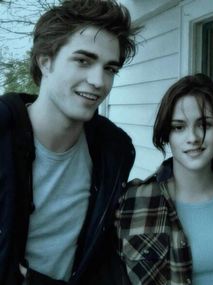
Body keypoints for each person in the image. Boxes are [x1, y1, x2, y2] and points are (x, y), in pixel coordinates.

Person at [0, 1, 141, 284]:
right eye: (83, 61)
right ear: (45, 60)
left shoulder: (114, 151)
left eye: (110, 68)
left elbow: (100, 252)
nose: (98, 81)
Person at [117, 73, 213, 285]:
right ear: (167, 135)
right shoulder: (132, 202)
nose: (193, 138)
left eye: (204, 124)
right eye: (179, 127)